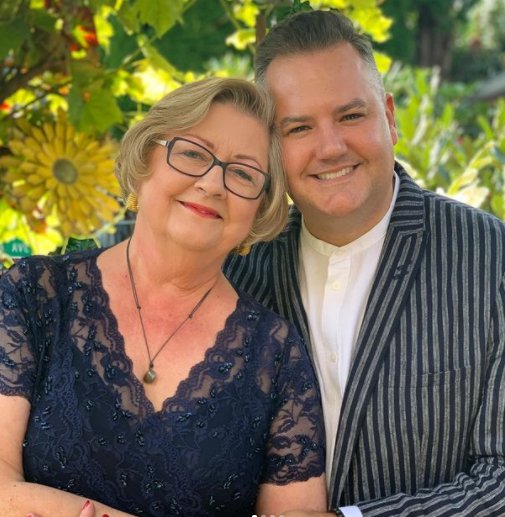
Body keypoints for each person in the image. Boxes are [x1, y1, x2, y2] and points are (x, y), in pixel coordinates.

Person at [0, 77, 327, 516]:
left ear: (260, 210)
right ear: (146, 157)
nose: (213, 183)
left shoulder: (277, 355)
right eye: (193, 152)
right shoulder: (32, 295)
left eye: (244, 173)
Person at [224, 9, 505, 517]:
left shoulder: (490, 256)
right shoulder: (236, 270)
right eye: (299, 127)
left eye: (351, 116)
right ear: (270, 148)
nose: (330, 147)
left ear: (390, 118)